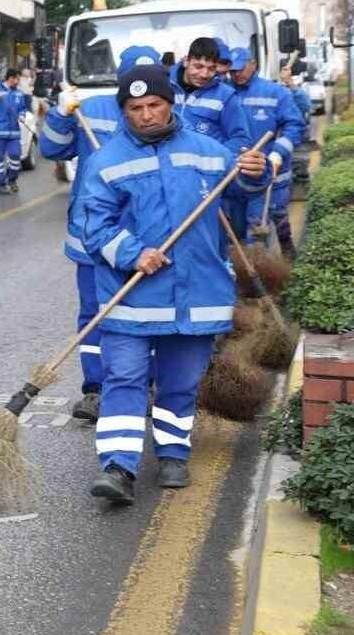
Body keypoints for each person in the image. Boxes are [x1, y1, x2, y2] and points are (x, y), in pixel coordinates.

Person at [78, 64, 268, 504]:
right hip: (132, 299)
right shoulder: (106, 162)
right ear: (124, 111)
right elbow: (93, 225)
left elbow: (241, 191)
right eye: (135, 108)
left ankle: (172, 454)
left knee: (181, 382)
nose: (145, 115)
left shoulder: (208, 152)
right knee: (123, 378)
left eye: (154, 105)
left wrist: (254, 173)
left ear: (171, 103)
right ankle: (118, 467)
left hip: (196, 297)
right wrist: (133, 252)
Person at [38, 43, 162, 422]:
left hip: (147, 240)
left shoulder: (164, 116)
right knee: (94, 315)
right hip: (92, 240)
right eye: (132, 81)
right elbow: (52, 150)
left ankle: (146, 384)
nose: (141, 92)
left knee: (149, 313)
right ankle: (95, 390)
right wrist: (60, 115)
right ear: (120, 79)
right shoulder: (89, 111)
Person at [231, 46, 304, 255]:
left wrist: (277, 153)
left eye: (241, 69)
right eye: (232, 71)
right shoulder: (226, 94)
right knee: (254, 226)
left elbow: (295, 126)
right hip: (240, 174)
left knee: (278, 213)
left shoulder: (276, 93)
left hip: (274, 172)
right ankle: (257, 271)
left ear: (253, 64)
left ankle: (287, 248)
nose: (236, 74)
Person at [0, 68, 30, 195]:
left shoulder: (19, 93)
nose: (19, 82)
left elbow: (23, 108)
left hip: (13, 132)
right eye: (18, 79)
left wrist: (22, 115)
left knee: (15, 156)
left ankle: (12, 179)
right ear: (11, 78)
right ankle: (1, 185)